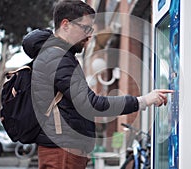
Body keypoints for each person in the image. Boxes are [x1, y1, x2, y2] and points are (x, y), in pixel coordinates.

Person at [22, 1, 173, 169]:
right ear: (66, 25)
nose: (89, 35)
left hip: (64, 148)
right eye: (85, 28)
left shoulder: (57, 55)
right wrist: (143, 100)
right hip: (63, 151)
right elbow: (92, 104)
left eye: (91, 29)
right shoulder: (57, 58)